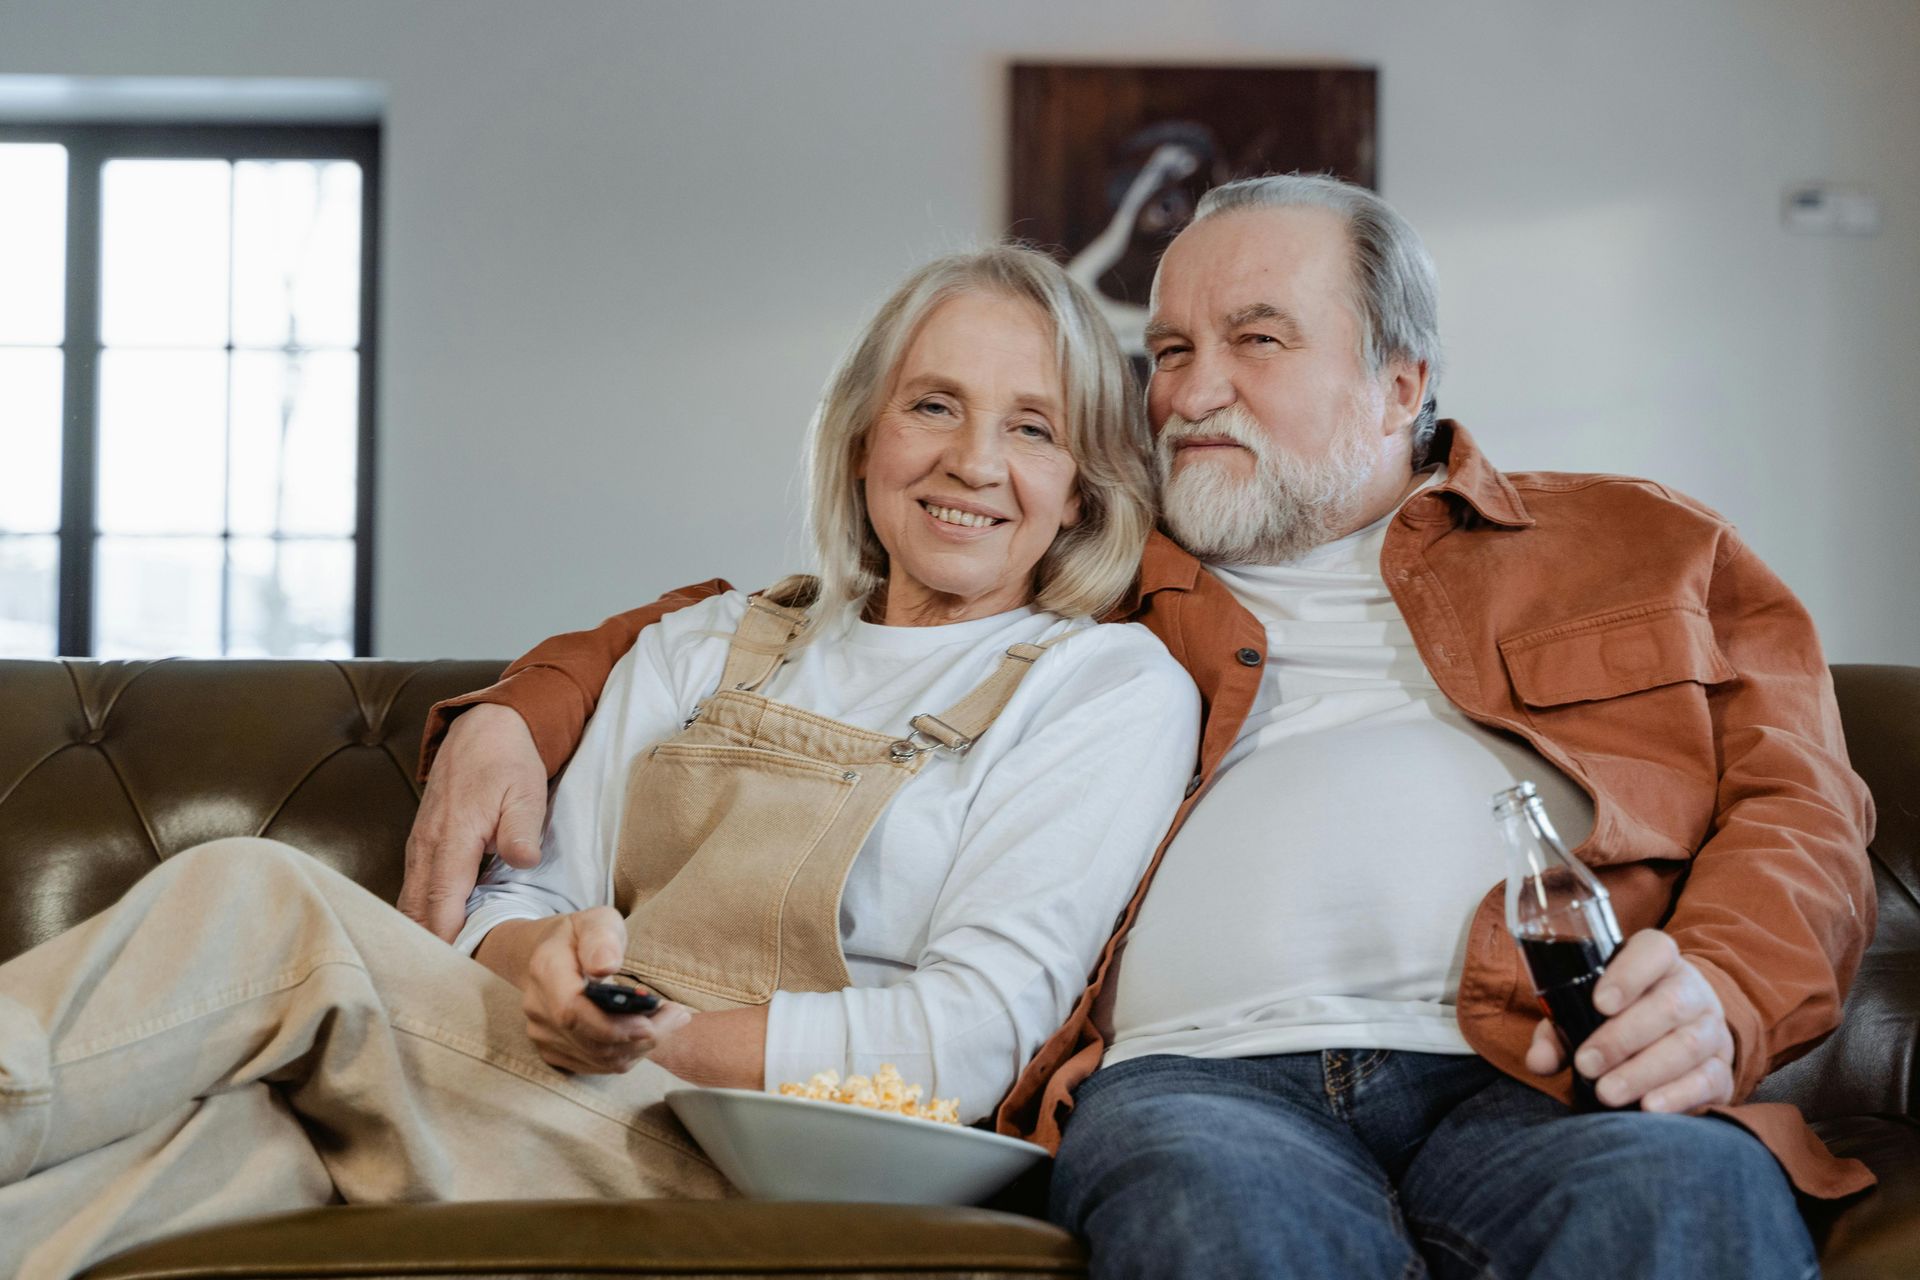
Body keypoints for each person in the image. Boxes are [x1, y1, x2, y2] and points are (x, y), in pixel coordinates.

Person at [405, 175, 1876, 1279]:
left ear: (1401, 382)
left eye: (1256, 338)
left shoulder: (1642, 545)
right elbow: (800, 615)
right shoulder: (1097, 567)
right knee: (1201, 1213)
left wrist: (1725, 995)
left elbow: (1802, 810)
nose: (1192, 389)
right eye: (1169, 349)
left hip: (1546, 1070)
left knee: (1682, 1199)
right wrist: (523, 706)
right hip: (1197, 1086)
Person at [0, 246, 1201, 1280]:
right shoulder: (704, 643)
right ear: (860, 438)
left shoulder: (1101, 687)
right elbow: (512, 898)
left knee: (266, 899)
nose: (975, 461)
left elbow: (970, 1036)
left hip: (780, 1159)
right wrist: (540, 966)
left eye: (1032, 427)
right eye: (933, 405)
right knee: (230, 1150)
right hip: (557, 1086)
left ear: (1080, 489)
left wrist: (652, 1033)